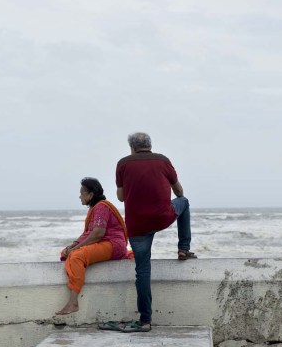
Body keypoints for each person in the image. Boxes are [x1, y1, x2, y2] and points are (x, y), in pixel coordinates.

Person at [115, 132, 196, 332]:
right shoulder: (163, 160)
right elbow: (179, 192)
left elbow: (121, 197)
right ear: (149, 145)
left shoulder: (123, 163)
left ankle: (145, 321)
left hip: (137, 225)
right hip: (162, 217)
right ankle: (183, 248)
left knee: (142, 271)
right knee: (184, 203)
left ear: (132, 147)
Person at [56, 177, 129, 315]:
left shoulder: (101, 207)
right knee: (66, 252)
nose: (80, 196)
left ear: (91, 195)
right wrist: (72, 245)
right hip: (104, 243)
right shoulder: (96, 208)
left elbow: (98, 234)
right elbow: (88, 233)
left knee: (77, 256)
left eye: (82, 193)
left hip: (113, 244)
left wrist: (75, 249)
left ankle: (73, 303)